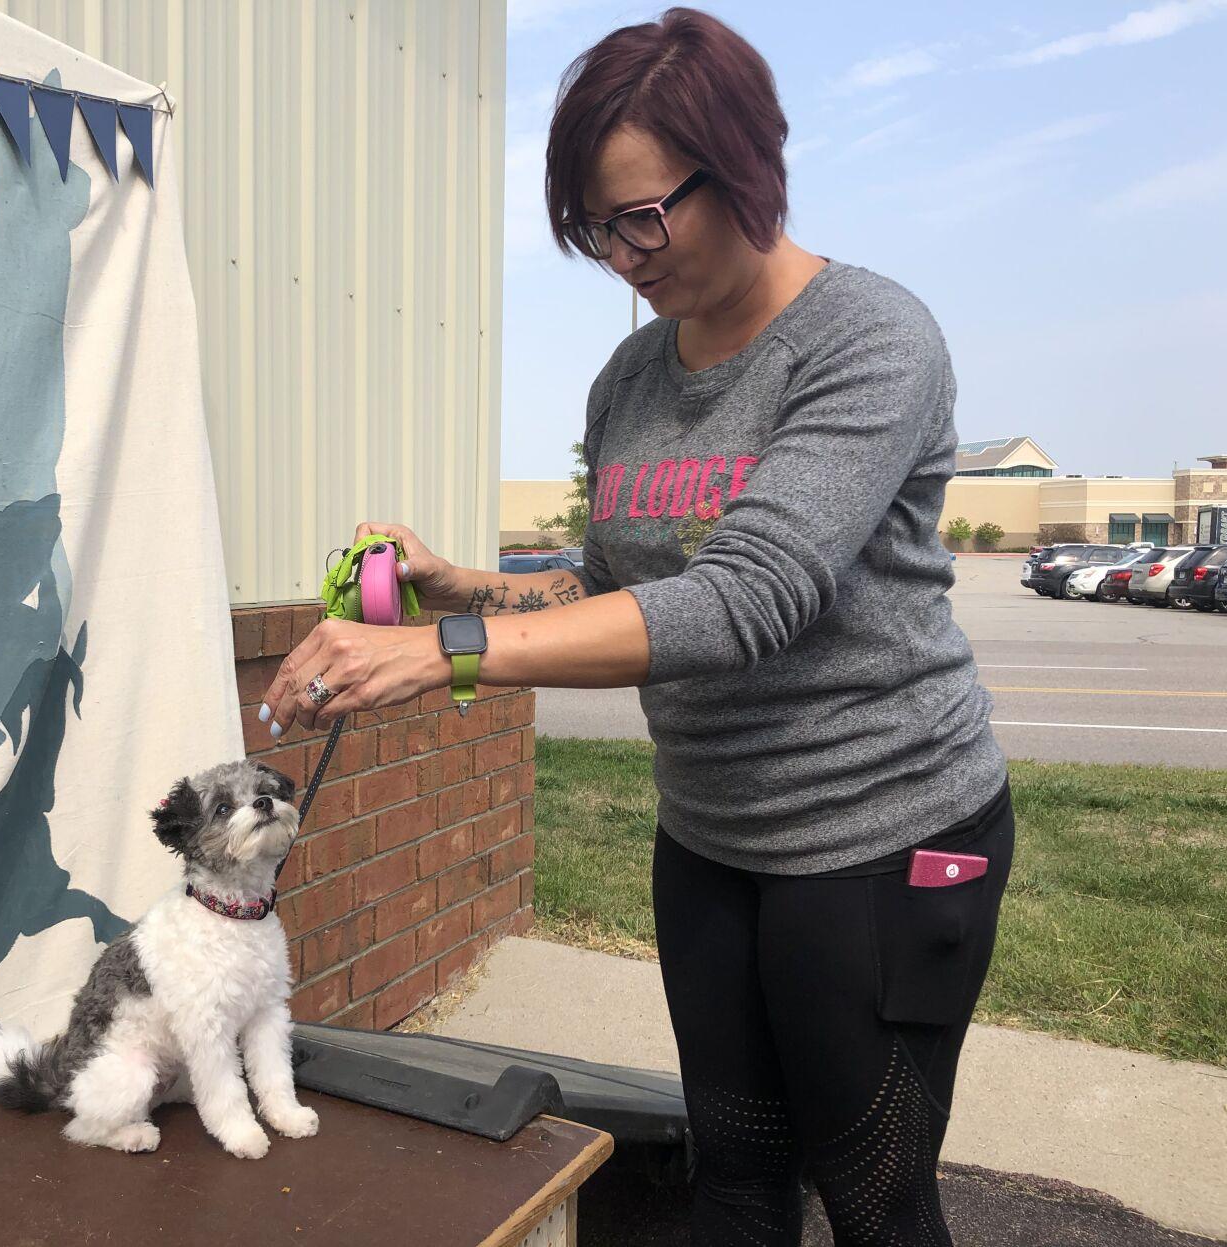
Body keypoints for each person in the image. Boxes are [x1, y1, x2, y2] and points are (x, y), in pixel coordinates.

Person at [258, 9, 1011, 1244]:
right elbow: (608, 589)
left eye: (645, 216)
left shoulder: (871, 338)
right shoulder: (631, 379)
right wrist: (457, 588)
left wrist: (435, 654)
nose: (623, 255)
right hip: (711, 842)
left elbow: (744, 599)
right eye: (598, 228)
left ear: (749, 167)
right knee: (732, 1175)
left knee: (877, 1198)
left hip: (880, 842)